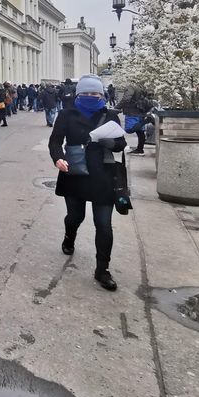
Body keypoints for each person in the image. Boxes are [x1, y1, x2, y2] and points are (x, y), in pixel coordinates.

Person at [48, 74, 126, 292]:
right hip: (74, 171)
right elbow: (55, 140)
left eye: (96, 93)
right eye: (87, 93)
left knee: (103, 224)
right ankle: (69, 237)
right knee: (75, 216)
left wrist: (107, 141)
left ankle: (102, 269)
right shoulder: (66, 114)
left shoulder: (110, 115)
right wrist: (58, 158)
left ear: (102, 95)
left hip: (103, 174)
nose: (92, 97)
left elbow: (120, 143)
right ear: (78, 94)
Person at [117, 88, 153, 156]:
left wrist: (117, 107)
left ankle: (147, 121)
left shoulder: (131, 88)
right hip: (140, 112)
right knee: (140, 132)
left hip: (132, 112)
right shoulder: (140, 88)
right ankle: (140, 149)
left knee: (129, 129)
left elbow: (126, 99)